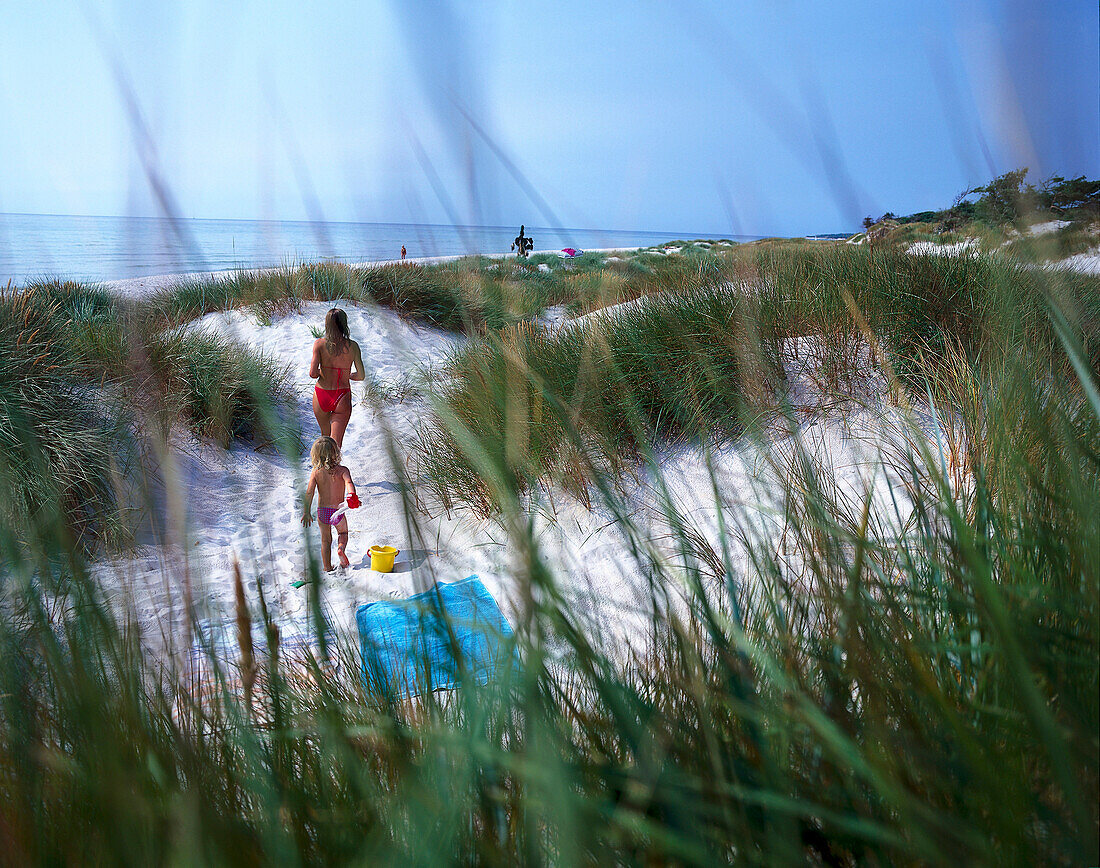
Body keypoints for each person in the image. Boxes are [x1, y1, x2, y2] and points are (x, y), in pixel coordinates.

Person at [309, 307, 365, 448]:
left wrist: (324, 371)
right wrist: (348, 375)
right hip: (342, 395)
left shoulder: (319, 344)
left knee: (325, 438)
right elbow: (361, 375)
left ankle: (321, 468)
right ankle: (335, 469)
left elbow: (312, 373)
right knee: (336, 443)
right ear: (344, 324)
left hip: (322, 393)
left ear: (327, 324)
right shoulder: (353, 346)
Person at [302, 436, 360, 571]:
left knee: (325, 541)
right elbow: (349, 483)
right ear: (336, 452)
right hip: (338, 511)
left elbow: (309, 492)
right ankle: (340, 549)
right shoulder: (343, 470)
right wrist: (352, 496)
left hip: (323, 512)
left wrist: (306, 512)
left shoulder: (316, 472)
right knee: (343, 534)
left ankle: (327, 567)